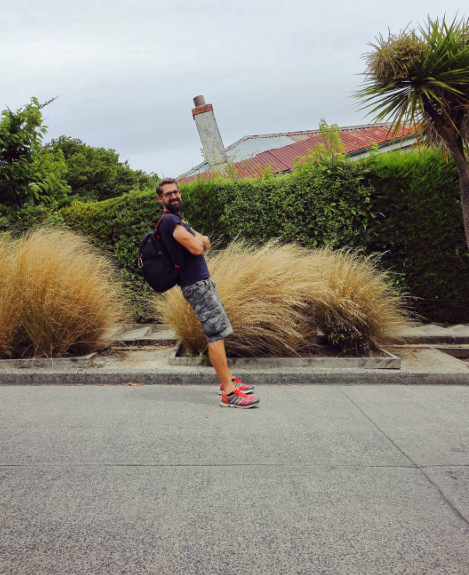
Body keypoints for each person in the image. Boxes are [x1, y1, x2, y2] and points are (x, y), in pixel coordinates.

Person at [156, 177, 260, 408]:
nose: (174, 196)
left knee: (219, 333)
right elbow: (197, 246)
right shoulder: (169, 221)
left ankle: (228, 382)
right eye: (168, 194)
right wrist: (199, 239)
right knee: (215, 335)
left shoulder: (179, 220)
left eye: (176, 192)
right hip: (196, 285)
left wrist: (200, 240)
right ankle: (229, 394)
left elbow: (206, 242)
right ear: (160, 199)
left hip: (202, 284)